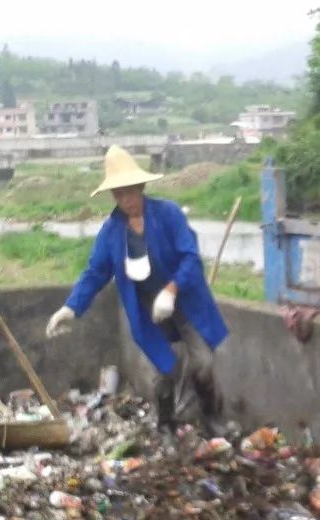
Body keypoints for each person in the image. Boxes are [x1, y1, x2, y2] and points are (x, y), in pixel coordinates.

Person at [46, 145, 228, 433]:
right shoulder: (112, 233)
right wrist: (71, 307)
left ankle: (212, 420)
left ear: (141, 187)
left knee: (203, 362)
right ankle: (166, 425)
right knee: (165, 367)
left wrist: (171, 290)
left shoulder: (167, 214)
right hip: (146, 309)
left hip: (184, 301)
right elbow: (96, 272)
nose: (126, 199)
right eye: (119, 194)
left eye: (130, 191)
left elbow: (190, 257)